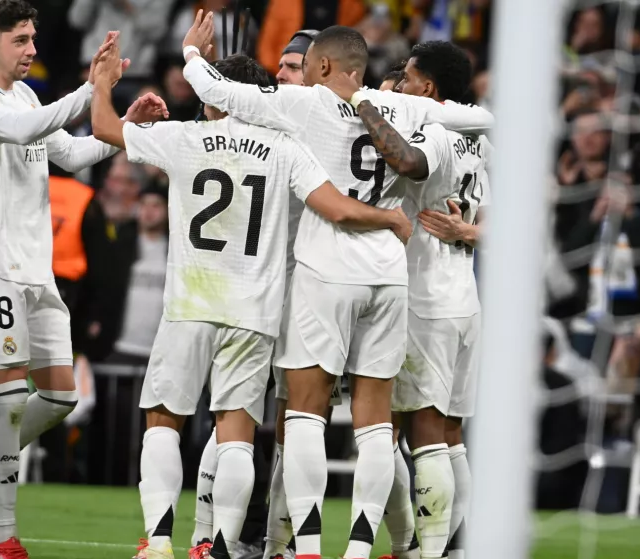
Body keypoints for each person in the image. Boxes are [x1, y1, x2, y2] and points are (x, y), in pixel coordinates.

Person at [90, 27, 411, 559]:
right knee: (236, 433)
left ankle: (161, 541)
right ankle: (219, 545)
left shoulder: (184, 138)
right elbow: (337, 207)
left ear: (216, 97)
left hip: (190, 303)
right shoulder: (286, 146)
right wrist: (390, 218)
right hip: (254, 310)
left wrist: (102, 84)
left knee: (164, 421)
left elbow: (103, 129)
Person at [181, 14, 493, 559]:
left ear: (322, 66)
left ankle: (303, 548)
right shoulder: (403, 106)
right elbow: (482, 117)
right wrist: (382, 104)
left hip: (326, 273)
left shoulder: (306, 102)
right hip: (391, 278)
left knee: (304, 413)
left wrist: (190, 55)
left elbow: (213, 90)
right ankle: (363, 550)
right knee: (376, 424)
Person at [0, 2, 167, 558]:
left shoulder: (26, 96)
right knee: (6, 400)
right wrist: (90, 87)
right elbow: (26, 129)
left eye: (33, 39)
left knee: (57, 397)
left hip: (35, 269)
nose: (32, 49)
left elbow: (73, 155)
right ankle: (5, 539)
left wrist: (127, 127)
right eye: (22, 40)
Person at [339, 41, 489, 559]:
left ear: (427, 87)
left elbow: (406, 160)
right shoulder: (480, 140)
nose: (398, 85)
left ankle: (427, 551)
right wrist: (471, 231)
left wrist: (365, 104)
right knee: (449, 435)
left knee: (419, 432)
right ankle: (452, 549)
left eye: (405, 78)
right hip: (464, 298)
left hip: (425, 297)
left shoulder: (440, 132)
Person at [188, 28, 325, 559]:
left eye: (295, 66)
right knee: (235, 418)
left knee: (295, 426)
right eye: (283, 66)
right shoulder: (267, 132)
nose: (283, 75)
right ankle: (213, 538)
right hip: (254, 292)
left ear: (322, 70)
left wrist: (196, 59)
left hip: (306, 296)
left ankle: (276, 543)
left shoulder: (320, 129)